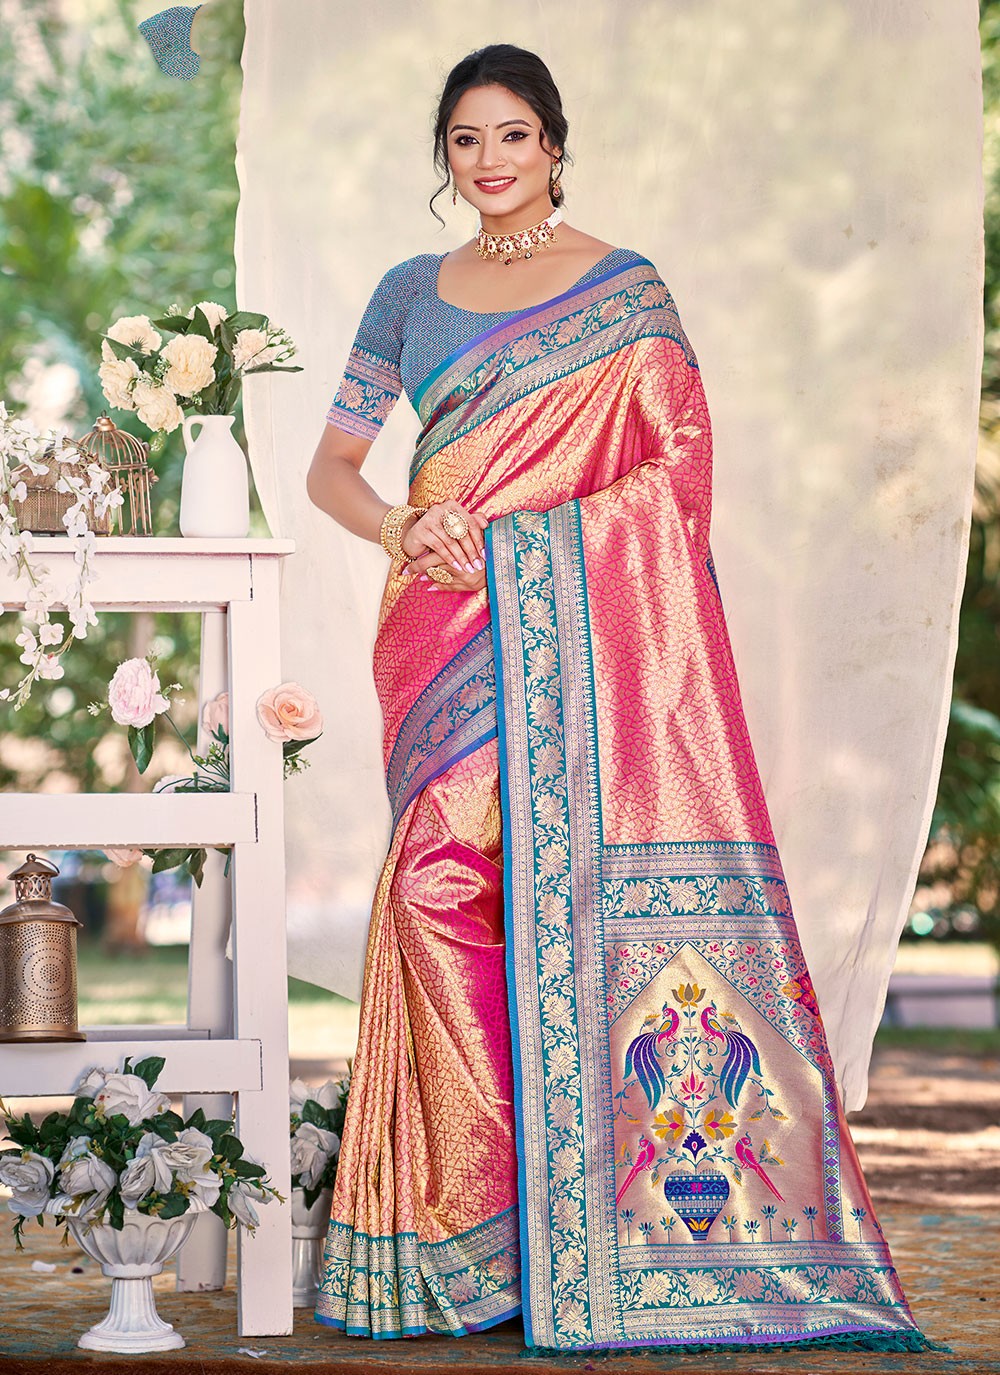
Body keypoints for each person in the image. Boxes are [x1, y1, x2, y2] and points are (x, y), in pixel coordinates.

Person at [306, 43, 930, 1354]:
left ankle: (593, 1231)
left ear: (553, 143)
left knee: (555, 895)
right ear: (445, 154)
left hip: (575, 624)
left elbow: (677, 475)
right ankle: (483, 1232)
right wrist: (401, 528)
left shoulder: (626, 291)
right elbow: (335, 470)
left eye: (512, 136)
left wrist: (527, 547)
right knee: (434, 893)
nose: (489, 161)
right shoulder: (408, 293)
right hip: (436, 628)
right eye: (466, 139)